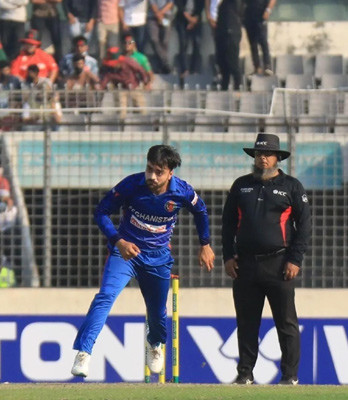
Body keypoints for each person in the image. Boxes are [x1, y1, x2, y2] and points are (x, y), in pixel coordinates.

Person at [71, 144, 215, 378]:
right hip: (125, 252)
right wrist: (118, 241)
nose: (152, 176)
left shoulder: (182, 191)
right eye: (149, 169)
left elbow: (201, 211)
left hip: (158, 257)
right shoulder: (131, 184)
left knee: (157, 312)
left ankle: (155, 344)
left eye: (159, 172)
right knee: (105, 296)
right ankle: (83, 353)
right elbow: (101, 212)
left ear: (170, 173)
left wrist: (205, 243)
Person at [221, 133, 311, 385]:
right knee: (247, 323)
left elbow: (304, 226)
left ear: (277, 158)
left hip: (280, 264)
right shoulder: (241, 185)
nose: (263, 158)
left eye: (268, 154)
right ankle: (245, 374)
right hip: (245, 264)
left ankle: (290, 376)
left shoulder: (292, 186)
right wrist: (228, 256)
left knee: (286, 323)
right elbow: (228, 224)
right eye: (259, 153)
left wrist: (295, 259)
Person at [214, 0, 242, 90]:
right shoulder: (220, 4)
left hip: (232, 32)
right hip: (221, 32)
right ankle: (224, 88)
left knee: (233, 63)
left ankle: (238, 87)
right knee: (222, 64)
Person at [244, 0, 275, 76]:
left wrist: (268, 10)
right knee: (253, 44)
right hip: (249, 15)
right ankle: (257, 67)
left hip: (261, 15)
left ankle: (267, 66)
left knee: (263, 41)